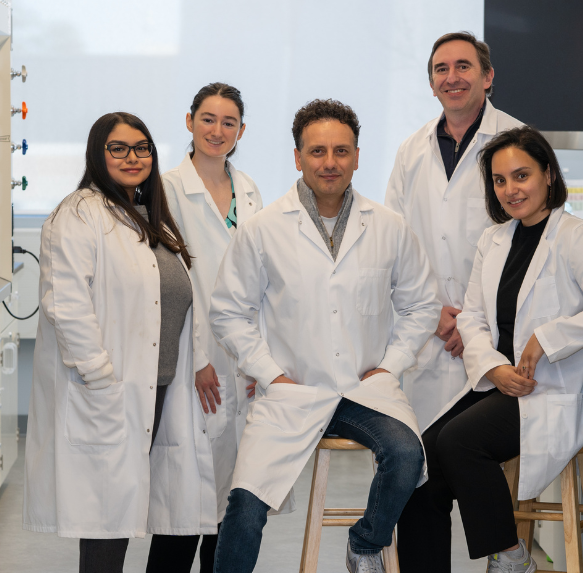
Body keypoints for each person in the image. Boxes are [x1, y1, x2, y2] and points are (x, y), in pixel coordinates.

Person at [208, 99, 441, 573]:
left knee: (406, 453)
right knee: (245, 508)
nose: (329, 163)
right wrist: (270, 373)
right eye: (317, 151)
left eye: (340, 151)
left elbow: (421, 305)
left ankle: (365, 542)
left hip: (364, 390)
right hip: (291, 391)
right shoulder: (263, 230)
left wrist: (391, 365)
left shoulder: (389, 228)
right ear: (297, 157)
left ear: (358, 156)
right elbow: (230, 312)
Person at [397, 126, 583, 572]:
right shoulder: (495, 239)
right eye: (500, 180)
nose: (511, 189)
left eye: (521, 176)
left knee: (459, 441)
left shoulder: (577, 236)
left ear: (548, 173)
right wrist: (492, 369)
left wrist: (548, 337)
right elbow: (471, 317)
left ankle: (509, 558)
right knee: (417, 463)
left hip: (551, 388)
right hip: (501, 383)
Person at [23, 112, 217, 573]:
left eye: (142, 148)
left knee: (125, 511)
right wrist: (101, 376)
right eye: (119, 148)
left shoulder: (151, 219)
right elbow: (66, 304)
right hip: (110, 392)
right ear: (97, 153)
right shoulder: (79, 214)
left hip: (157, 387)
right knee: (106, 519)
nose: (133, 158)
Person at [385, 31, 523, 431]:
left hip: (493, 333)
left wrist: (474, 322)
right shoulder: (412, 150)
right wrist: (430, 312)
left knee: (476, 461)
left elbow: (530, 243)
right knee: (425, 461)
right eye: (441, 69)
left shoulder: (517, 142)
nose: (452, 77)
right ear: (431, 84)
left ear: (487, 77)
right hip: (429, 329)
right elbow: (394, 242)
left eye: (464, 66)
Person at [157, 82, 263, 573]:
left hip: (240, 354)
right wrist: (198, 357)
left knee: (226, 501)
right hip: (189, 358)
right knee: (184, 500)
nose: (217, 131)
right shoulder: (168, 189)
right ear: (189, 122)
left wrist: (258, 358)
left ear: (241, 130)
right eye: (208, 119)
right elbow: (175, 281)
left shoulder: (249, 189)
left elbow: (259, 277)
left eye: (228, 122)